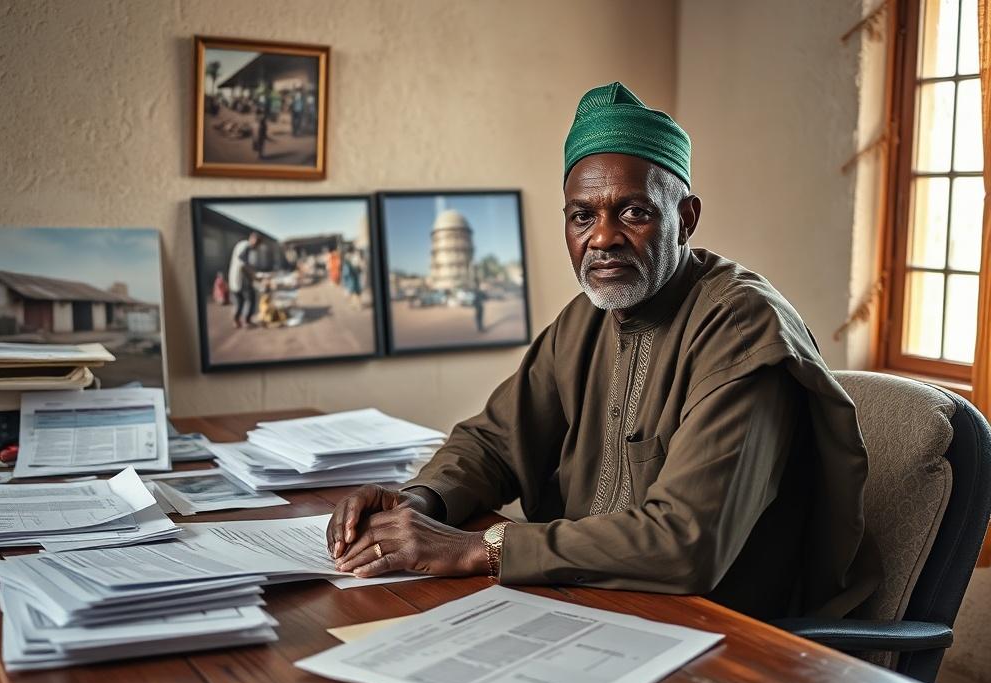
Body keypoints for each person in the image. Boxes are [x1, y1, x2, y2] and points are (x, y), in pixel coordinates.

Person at [326, 82, 881, 621]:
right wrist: (419, 504)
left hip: (715, 630)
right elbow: (495, 442)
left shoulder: (739, 327)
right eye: (582, 216)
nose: (603, 237)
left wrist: (482, 549)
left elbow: (687, 542)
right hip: (585, 604)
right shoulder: (590, 315)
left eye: (634, 212)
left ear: (685, 218)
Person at [228, 232, 259, 328]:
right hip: (242, 280)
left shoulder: (242, 245)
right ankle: (246, 320)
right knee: (250, 298)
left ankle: (237, 321)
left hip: (235, 278)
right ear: (252, 238)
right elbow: (243, 264)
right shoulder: (246, 246)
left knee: (240, 301)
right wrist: (253, 276)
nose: (257, 245)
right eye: (257, 242)